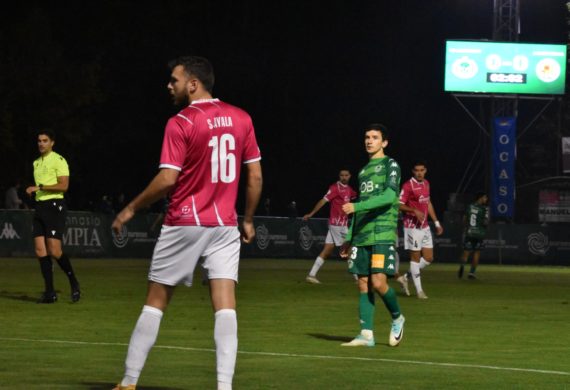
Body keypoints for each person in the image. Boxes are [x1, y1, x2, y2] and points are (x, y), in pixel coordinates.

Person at [111, 56, 262, 390]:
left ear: (193, 84)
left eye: (174, 80)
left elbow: (167, 179)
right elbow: (255, 175)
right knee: (225, 306)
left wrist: (131, 208)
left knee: (156, 301)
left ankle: (128, 381)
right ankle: (224, 387)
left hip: (185, 221)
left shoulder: (181, 122)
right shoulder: (242, 118)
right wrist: (248, 218)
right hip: (225, 224)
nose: (170, 85)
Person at [339, 123, 405, 348]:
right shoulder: (363, 171)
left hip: (382, 233)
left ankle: (397, 317)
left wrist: (355, 208)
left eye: (375, 137)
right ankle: (366, 335)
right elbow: (360, 204)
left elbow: (389, 196)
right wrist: (349, 236)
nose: (369, 141)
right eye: (367, 137)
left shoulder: (391, 164)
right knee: (363, 283)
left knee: (378, 282)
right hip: (362, 235)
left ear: (384, 142)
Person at [25, 129, 80, 304]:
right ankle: (50, 293)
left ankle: (74, 282)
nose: (41, 143)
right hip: (40, 207)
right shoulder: (36, 163)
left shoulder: (59, 160)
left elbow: (64, 186)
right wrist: (35, 191)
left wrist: (39, 187)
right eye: (39, 141)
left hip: (55, 206)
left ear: (52, 142)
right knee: (40, 250)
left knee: (54, 250)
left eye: (45, 140)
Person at [397, 160, 443, 299]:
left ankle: (405, 277)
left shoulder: (426, 184)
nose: (419, 173)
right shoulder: (408, 185)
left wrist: (436, 222)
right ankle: (419, 291)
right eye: (417, 170)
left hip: (424, 226)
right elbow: (398, 204)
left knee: (429, 258)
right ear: (413, 171)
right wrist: (413, 210)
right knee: (415, 258)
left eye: (422, 170)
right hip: (412, 227)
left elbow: (428, 203)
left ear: (425, 171)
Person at [303, 169, 357, 284]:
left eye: (346, 175)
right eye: (342, 175)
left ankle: (311, 275)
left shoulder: (349, 190)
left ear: (350, 176)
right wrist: (311, 214)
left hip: (341, 224)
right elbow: (323, 201)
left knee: (327, 251)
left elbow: (355, 198)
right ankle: (358, 278)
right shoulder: (335, 188)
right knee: (350, 248)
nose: (344, 177)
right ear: (339, 176)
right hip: (337, 224)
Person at [458, 192, 489, 279]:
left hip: (470, 232)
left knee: (466, 252)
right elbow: (485, 222)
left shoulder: (470, 206)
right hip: (479, 234)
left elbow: (464, 219)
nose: (486, 200)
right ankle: (471, 273)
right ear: (480, 198)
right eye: (485, 198)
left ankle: (462, 265)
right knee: (477, 253)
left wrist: (466, 228)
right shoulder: (484, 209)